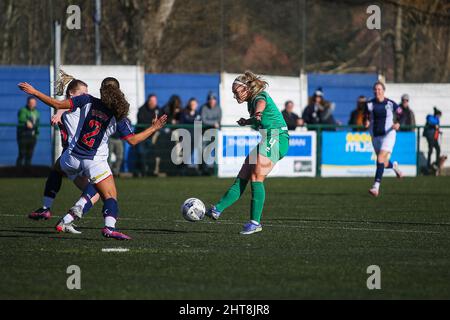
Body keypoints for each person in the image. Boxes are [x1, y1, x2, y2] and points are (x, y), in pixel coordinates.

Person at [18, 78, 167, 240]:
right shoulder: (118, 115)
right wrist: (154, 127)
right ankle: (109, 227)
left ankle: (48, 207)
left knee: (56, 169)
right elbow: (133, 141)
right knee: (110, 195)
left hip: (72, 156)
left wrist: (34, 92)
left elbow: (57, 105)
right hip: (94, 161)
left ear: (102, 90)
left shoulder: (87, 100)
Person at [205, 71, 289, 235]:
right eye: (233, 93)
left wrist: (256, 114)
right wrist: (247, 121)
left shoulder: (259, 96)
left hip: (278, 137)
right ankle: (217, 209)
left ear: (246, 89)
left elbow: (261, 105)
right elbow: (260, 115)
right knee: (243, 175)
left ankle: (255, 222)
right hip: (268, 138)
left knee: (256, 177)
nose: (235, 96)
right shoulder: (250, 101)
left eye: (236, 92)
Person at [28, 78, 101, 222]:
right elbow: (64, 107)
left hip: (73, 153)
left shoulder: (84, 105)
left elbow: (62, 106)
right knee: (98, 190)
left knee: (59, 171)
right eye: (83, 92)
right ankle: (68, 218)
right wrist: (59, 113)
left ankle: (48, 209)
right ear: (72, 94)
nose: (86, 95)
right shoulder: (73, 105)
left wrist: (59, 112)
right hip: (80, 153)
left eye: (87, 92)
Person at [364, 81, 404, 197]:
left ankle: (376, 187)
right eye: (375, 89)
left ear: (383, 91)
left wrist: (398, 123)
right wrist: (365, 122)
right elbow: (365, 117)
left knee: (380, 158)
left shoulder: (390, 103)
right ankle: (395, 167)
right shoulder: (369, 104)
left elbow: (402, 114)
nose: (377, 91)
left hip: (388, 134)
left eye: (379, 89)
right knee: (383, 161)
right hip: (375, 135)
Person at [135, 94, 160, 176]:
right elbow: (141, 121)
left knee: (152, 154)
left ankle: (151, 172)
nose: (153, 103)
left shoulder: (158, 110)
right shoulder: (142, 109)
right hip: (142, 135)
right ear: (148, 101)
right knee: (141, 153)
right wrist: (152, 123)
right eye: (151, 101)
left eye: (154, 101)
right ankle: (142, 172)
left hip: (153, 136)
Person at [16, 97, 40, 167]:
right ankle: (18, 170)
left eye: (34, 103)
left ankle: (27, 172)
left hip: (32, 137)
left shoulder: (37, 112)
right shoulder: (23, 110)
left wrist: (36, 134)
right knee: (22, 153)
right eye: (31, 103)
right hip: (23, 135)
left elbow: (37, 124)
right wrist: (26, 122)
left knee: (29, 154)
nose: (32, 104)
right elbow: (21, 118)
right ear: (27, 103)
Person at [423, 107, 442, 172]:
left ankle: (437, 163)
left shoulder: (437, 119)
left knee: (438, 149)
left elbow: (436, 128)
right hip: (430, 136)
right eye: (439, 115)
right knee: (430, 150)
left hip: (434, 137)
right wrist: (434, 126)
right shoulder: (430, 117)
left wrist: (439, 131)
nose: (439, 117)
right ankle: (428, 165)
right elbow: (430, 123)